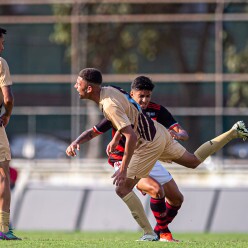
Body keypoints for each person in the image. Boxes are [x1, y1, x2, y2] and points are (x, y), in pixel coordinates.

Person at [67, 68, 248, 241]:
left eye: (78, 83)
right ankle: (233, 132)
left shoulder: (109, 105)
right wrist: (91, 141)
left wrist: (123, 169)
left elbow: (131, 137)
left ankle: (149, 233)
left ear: (89, 88)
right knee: (193, 161)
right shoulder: (111, 90)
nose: (76, 86)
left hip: (146, 145)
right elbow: (126, 116)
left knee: (122, 188)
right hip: (159, 133)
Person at [67, 76, 188, 242]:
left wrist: (179, 135)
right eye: (141, 96)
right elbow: (94, 130)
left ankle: (158, 231)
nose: (145, 100)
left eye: (148, 96)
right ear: (132, 94)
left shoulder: (156, 110)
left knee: (177, 199)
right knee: (155, 189)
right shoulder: (120, 108)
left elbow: (182, 132)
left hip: (150, 157)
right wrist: (76, 142)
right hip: (126, 159)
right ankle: (161, 234)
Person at [0, 27, 21, 240]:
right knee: (2, 176)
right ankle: (4, 229)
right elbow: (8, 97)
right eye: (1, 42)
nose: (3, 46)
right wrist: (7, 114)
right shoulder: (0, 63)